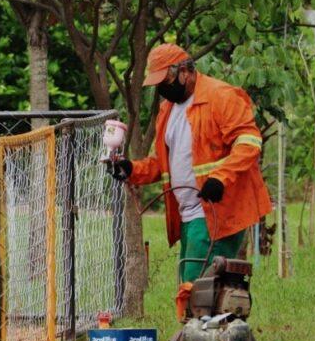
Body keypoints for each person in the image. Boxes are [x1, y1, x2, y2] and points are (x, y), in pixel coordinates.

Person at [108, 43, 272, 321]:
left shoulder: (222, 97)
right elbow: (162, 164)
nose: (162, 89)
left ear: (184, 71)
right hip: (190, 215)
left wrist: (221, 177)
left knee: (198, 288)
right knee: (200, 287)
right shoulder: (168, 110)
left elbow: (249, 142)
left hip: (217, 211)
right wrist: (131, 169)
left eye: (166, 81)